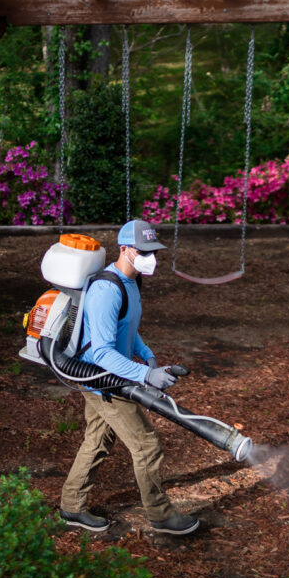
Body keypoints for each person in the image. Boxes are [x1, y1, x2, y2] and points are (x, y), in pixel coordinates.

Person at [59, 219, 200, 535]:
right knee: (147, 446)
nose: (151, 256)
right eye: (143, 250)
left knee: (98, 439)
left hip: (111, 375)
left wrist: (146, 354)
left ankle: (71, 505)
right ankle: (161, 516)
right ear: (124, 249)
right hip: (102, 380)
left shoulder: (130, 282)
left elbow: (127, 327)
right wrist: (146, 375)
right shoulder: (107, 290)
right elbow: (103, 353)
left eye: (153, 250)